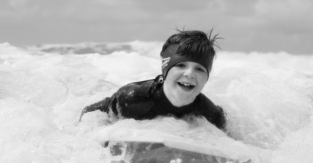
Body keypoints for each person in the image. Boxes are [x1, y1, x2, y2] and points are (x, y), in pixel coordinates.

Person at [79, 29, 226, 130]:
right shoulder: (133, 99)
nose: (190, 74)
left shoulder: (212, 115)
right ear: (165, 67)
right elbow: (91, 115)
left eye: (199, 69)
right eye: (181, 65)